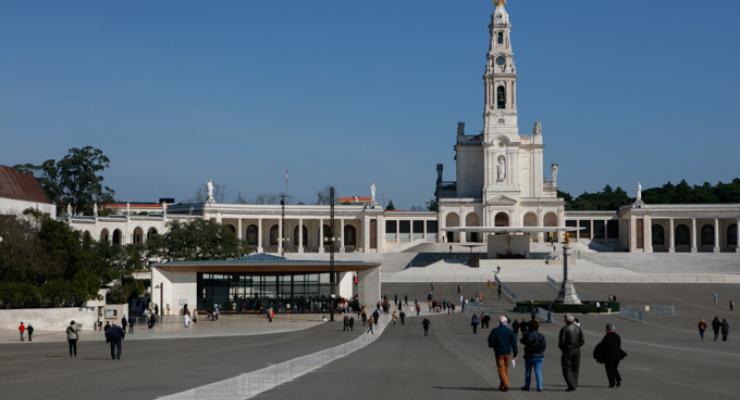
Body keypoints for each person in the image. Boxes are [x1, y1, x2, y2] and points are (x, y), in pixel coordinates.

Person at [488, 316, 518, 392]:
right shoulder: (510, 331)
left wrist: (494, 346)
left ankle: (506, 384)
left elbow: (490, 342)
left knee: (501, 369)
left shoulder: (495, 331)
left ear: (499, 322)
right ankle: (502, 385)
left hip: (499, 352)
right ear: (506, 322)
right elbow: (514, 344)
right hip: (507, 352)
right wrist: (515, 354)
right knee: (505, 369)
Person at [594, 323, 627, 388]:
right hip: (617, 355)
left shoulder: (606, 337)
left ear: (607, 329)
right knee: (614, 368)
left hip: (609, 356)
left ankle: (612, 383)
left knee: (609, 369)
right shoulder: (617, 336)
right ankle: (618, 379)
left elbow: (603, 347)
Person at [558, 313, 585, 392]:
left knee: (566, 368)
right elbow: (582, 340)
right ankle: (574, 384)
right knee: (575, 368)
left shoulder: (565, 329)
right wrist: (577, 346)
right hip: (577, 350)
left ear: (566, 320)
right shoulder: (578, 328)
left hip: (568, 350)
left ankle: (571, 385)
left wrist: (564, 349)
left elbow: (561, 342)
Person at [520, 320, 546, 392]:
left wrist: (524, 333)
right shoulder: (541, 335)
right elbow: (544, 345)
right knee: (538, 371)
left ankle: (527, 386)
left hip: (529, 355)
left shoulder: (528, 335)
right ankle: (540, 386)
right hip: (539, 355)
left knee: (528, 371)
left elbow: (522, 341)